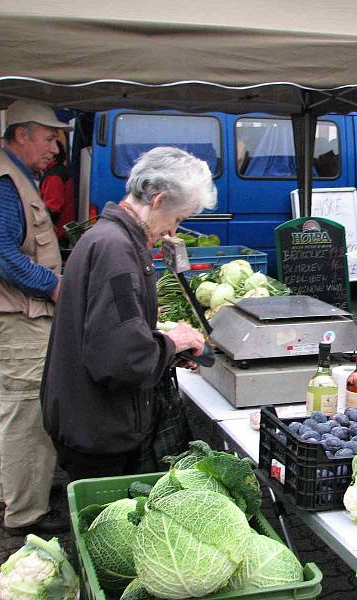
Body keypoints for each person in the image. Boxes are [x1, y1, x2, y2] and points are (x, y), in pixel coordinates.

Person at [41, 147, 213, 483]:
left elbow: (108, 333)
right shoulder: (117, 250)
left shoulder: (109, 239)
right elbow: (121, 359)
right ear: (158, 200)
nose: (174, 232)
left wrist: (166, 351)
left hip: (86, 417)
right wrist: (170, 342)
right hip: (98, 428)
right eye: (178, 219)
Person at [0, 99, 71, 535]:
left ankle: (20, 492)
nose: (55, 149)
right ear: (22, 134)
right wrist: (54, 286)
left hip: (18, 314)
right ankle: (26, 514)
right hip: (17, 317)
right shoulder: (3, 181)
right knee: (24, 412)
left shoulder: (15, 176)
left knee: (17, 408)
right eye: (49, 138)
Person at [38, 139, 75, 247]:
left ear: (53, 155)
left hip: (59, 232)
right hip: (65, 229)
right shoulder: (59, 172)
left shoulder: (54, 176)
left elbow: (53, 207)